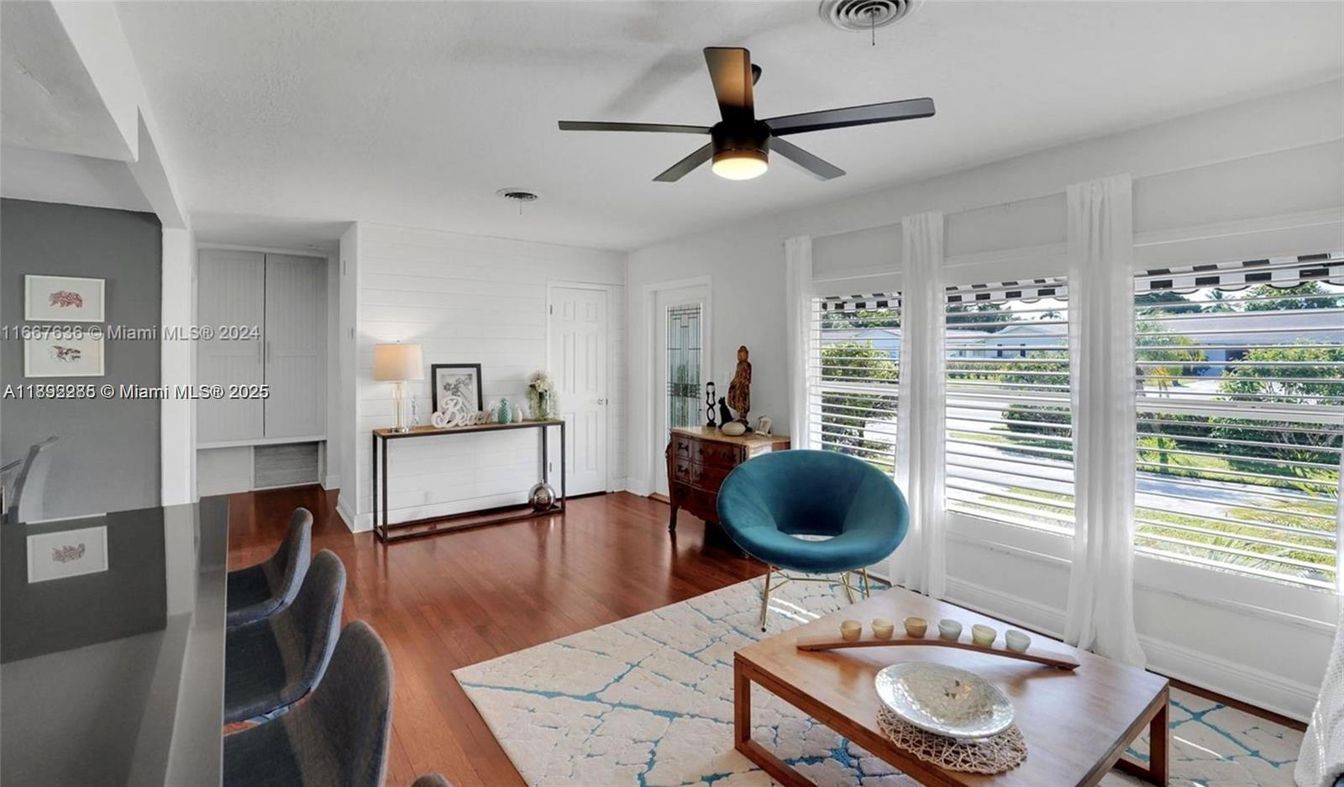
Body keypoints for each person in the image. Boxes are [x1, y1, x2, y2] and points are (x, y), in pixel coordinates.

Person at [727, 345, 751, 423]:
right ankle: (740, 417)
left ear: (747, 355)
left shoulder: (747, 365)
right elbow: (736, 376)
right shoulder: (739, 365)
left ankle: (743, 417)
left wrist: (740, 381)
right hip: (738, 387)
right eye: (739, 355)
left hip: (743, 387)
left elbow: (747, 378)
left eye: (742, 354)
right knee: (737, 400)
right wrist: (733, 382)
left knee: (743, 402)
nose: (740, 356)